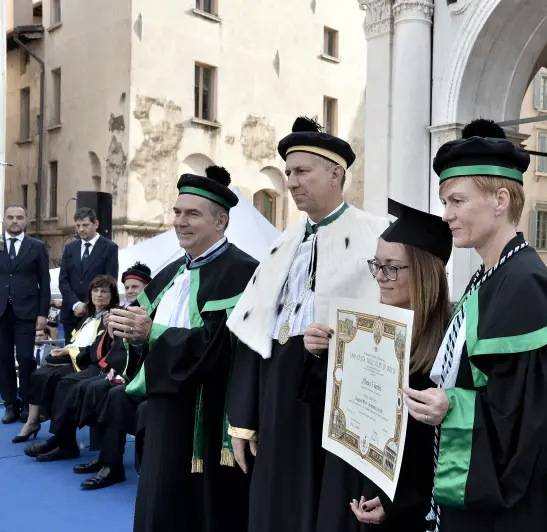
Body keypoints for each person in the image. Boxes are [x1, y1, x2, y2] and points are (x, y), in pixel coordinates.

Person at [402, 119, 547, 532]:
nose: (446, 215)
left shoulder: (524, 287)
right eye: (445, 202)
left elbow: (540, 420)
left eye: (456, 201)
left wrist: (452, 406)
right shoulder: (488, 278)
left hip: (518, 511)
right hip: (482, 495)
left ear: (500, 199)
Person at [225, 116, 389, 532]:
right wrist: (242, 422)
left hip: (333, 403)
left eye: (301, 171)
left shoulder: (377, 237)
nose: (292, 182)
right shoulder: (283, 242)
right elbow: (251, 334)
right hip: (277, 399)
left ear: (336, 174)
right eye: (288, 173)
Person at [108, 166, 258, 532]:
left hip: (206, 416)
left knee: (198, 510)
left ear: (221, 222)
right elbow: (142, 336)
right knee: (160, 501)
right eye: (177, 212)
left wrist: (151, 334)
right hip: (162, 410)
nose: (180, 222)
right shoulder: (172, 270)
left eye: (192, 214)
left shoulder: (242, 271)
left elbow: (217, 349)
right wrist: (124, 333)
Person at [306, 199, 452, 532]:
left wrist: (400, 501)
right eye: (377, 265)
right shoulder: (363, 329)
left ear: (424, 272)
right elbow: (328, 409)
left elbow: (439, 449)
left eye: (391, 267)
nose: (380, 277)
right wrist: (320, 354)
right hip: (356, 489)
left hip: (409, 511)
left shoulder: (447, 345)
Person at [43, 262, 152, 489]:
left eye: (136, 287)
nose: (131, 291)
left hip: (145, 375)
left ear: (148, 288)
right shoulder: (124, 313)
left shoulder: (153, 312)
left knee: (106, 393)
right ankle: (103, 457)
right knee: (89, 389)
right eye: (128, 287)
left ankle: (111, 464)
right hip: (122, 370)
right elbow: (114, 350)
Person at [17, 275, 118, 447]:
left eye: (104, 291)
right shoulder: (88, 318)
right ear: (91, 294)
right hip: (73, 357)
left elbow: (99, 350)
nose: (99, 295)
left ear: (111, 296)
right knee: (39, 374)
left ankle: (61, 438)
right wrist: (65, 350)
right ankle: (32, 420)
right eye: (95, 291)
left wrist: (68, 351)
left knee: (60, 381)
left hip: (87, 362)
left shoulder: (110, 317)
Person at [0, 205, 50, 424]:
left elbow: (45, 283)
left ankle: (28, 404)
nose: (14, 221)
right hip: (1, 312)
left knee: (26, 358)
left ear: (26, 221)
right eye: (10, 217)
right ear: (3, 220)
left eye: (19, 217)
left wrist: (42, 313)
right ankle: (10, 404)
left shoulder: (37, 247)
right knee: (3, 359)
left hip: (27, 312)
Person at [59, 207, 119, 341]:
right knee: (69, 355)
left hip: (96, 314)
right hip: (71, 313)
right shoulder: (70, 248)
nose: (81, 229)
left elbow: (110, 281)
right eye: (78, 225)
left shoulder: (109, 248)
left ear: (96, 224)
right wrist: (75, 304)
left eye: (85, 225)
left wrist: (86, 305)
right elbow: (63, 280)